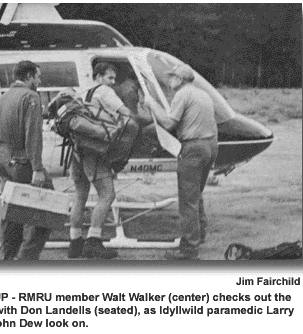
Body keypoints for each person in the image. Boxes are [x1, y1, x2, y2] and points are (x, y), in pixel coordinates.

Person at [144, 64, 218, 260]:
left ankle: (189, 249)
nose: (169, 81)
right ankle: (199, 235)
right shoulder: (202, 94)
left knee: (187, 201)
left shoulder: (182, 94)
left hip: (193, 148)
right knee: (196, 194)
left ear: (180, 79)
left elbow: (168, 123)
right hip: (210, 145)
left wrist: (152, 105)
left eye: (172, 77)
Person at [68, 62, 135, 259]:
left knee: (80, 195)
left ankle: (75, 243)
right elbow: (126, 113)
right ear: (98, 76)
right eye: (109, 78)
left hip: (77, 149)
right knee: (107, 195)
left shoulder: (82, 92)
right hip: (94, 151)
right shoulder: (104, 91)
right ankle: (93, 241)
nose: (112, 83)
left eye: (114, 79)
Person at [0, 60, 54, 260]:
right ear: (28, 76)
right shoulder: (31, 97)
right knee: (47, 213)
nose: (39, 80)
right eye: (37, 76)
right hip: (24, 164)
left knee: (10, 214)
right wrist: (37, 168)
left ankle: (8, 258)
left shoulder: (1, 100)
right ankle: (26, 259)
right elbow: (33, 135)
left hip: (4, 163)